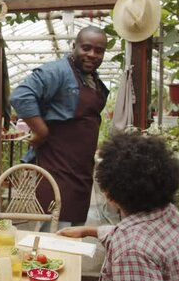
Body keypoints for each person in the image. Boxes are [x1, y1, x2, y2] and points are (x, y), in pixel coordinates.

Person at [59, 132, 179, 281]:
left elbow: (133, 245)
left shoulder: (131, 249)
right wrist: (89, 231)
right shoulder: (169, 214)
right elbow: (141, 238)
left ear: (109, 194)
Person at [9, 26, 109, 226]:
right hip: (57, 169)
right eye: (86, 48)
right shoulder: (58, 71)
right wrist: (41, 130)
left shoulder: (91, 79)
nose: (92, 54)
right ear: (74, 46)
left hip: (80, 171)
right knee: (54, 232)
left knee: (72, 231)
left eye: (99, 51)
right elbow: (21, 95)